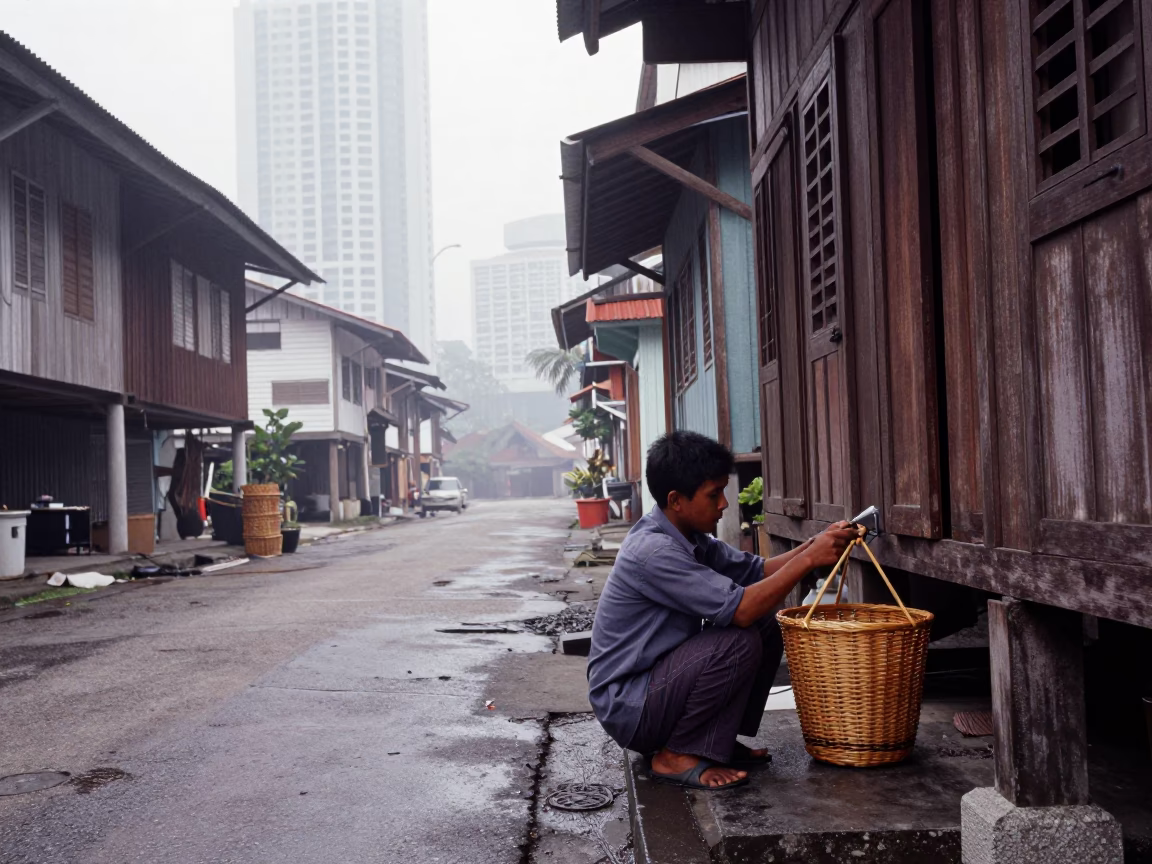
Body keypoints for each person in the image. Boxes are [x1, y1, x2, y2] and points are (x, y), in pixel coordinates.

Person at [587, 431, 857, 790]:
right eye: (713, 494)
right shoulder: (654, 551)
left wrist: (817, 543)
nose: (724, 504)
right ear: (676, 500)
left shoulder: (691, 537)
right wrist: (810, 558)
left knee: (766, 622)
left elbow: (758, 572)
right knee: (738, 638)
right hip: (631, 707)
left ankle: (714, 742)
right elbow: (741, 609)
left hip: (659, 686)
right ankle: (675, 756)